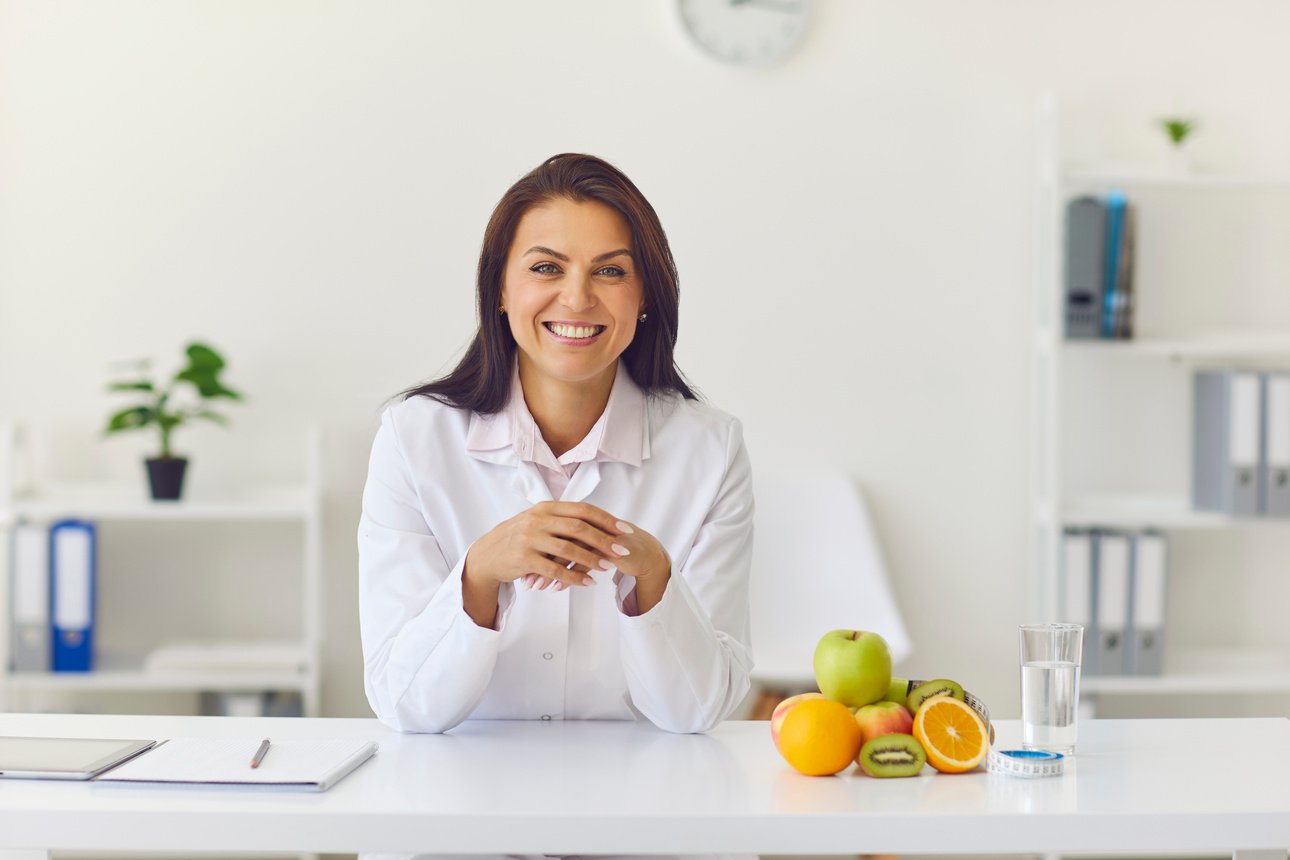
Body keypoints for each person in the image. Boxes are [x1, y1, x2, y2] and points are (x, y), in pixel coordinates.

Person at [358, 153, 754, 738]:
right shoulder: (413, 440)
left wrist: (653, 579)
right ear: (499, 288)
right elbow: (404, 705)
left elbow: (696, 713)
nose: (576, 298)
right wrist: (480, 575)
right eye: (547, 268)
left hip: (644, 801)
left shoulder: (711, 449)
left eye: (610, 271)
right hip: (457, 800)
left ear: (645, 294)